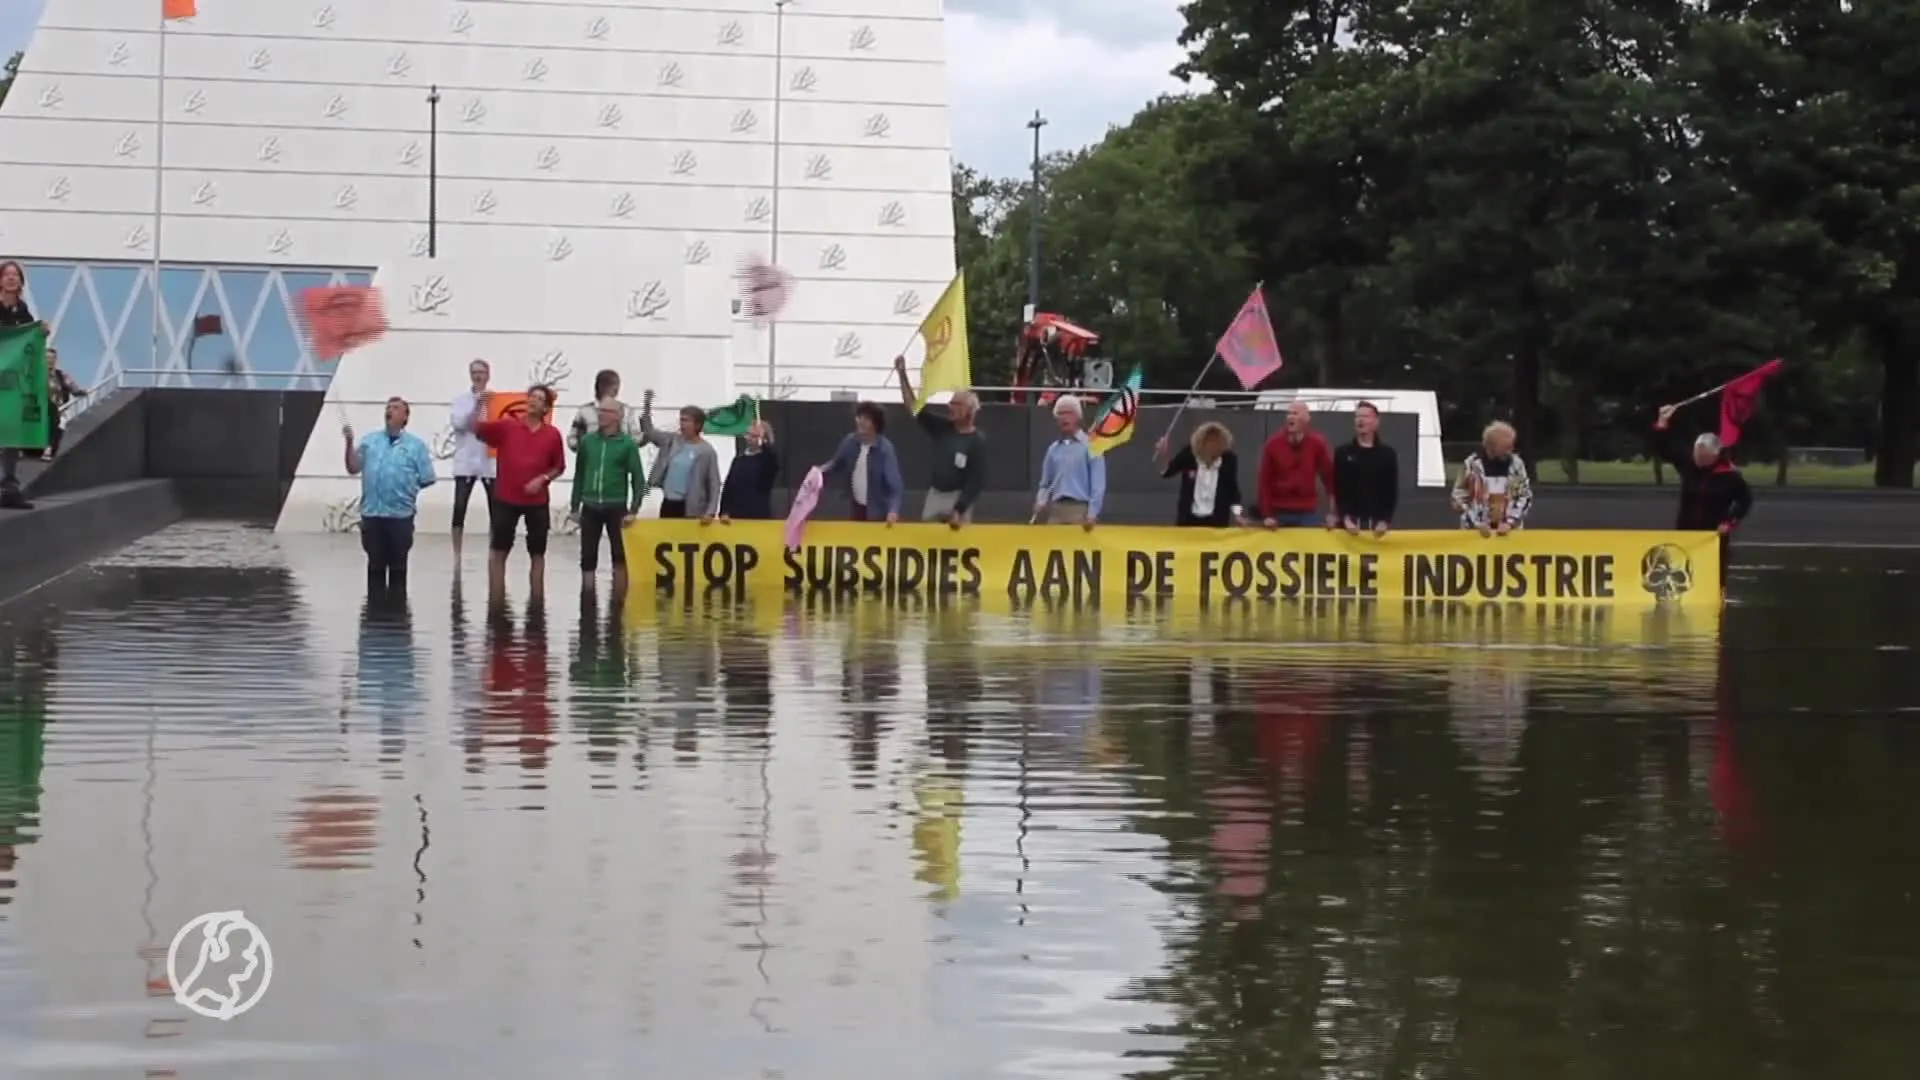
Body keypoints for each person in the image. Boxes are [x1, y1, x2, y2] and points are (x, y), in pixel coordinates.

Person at [469, 383, 567, 590]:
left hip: (537, 501)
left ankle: (537, 599)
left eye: (539, 399)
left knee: (537, 553)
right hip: (506, 498)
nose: (533, 401)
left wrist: (543, 479)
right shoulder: (507, 426)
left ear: (546, 408)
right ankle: (496, 597)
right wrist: (480, 404)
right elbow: (477, 428)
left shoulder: (552, 434)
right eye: (531, 396)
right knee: (499, 549)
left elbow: (558, 467)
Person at [342, 396, 437, 593]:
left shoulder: (416, 446)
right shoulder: (369, 441)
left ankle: (397, 608)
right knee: (375, 566)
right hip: (372, 514)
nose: (389, 410)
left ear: (405, 417)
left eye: (395, 408)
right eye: (388, 407)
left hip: (400, 516)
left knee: (398, 568)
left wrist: (408, 489)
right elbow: (353, 468)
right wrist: (349, 443)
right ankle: (374, 608)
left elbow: (427, 478)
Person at [1655, 403, 1752, 590]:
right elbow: (1665, 449)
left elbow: (1745, 500)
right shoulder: (1689, 465)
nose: (1698, 460)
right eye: (1696, 455)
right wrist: (1662, 422)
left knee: (1713, 582)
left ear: (1715, 455)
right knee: (1683, 579)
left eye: (1703, 458)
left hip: (1714, 536)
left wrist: (1730, 521)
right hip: (1686, 535)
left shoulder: (1729, 476)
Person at [891, 356, 987, 526]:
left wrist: (959, 509)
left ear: (970, 410)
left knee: (957, 539)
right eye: (950, 403)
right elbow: (914, 409)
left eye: (956, 404)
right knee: (927, 536)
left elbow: (976, 481)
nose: (950, 407)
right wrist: (902, 374)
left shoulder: (976, 441)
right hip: (935, 495)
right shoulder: (943, 428)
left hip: (958, 498)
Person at [570, 397, 646, 591]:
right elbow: (580, 474)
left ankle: (619, 597)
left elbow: (638, 478)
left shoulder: (627, 444)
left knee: (619, 555)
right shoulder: (588, 442)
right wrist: (574, 506)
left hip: (616, 505)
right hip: (590, 504)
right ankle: (587, 595)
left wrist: (634, 509)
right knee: (587, 556)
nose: (601, 415)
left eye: (606, 411)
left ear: (617, 416)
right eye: (599, 411)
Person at [637, 391, 722, 520]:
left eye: (686, 420)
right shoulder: (671, 440)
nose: (682, 423)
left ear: (697, 424)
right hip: (669, 502)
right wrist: (646, 407)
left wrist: (710, 511)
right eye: (681, 419)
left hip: (691, 507)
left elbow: (714, 484)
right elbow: (650, 432)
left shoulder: (706, 451)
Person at [821, 401, 903, 523]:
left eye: (866, 419)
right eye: (859, 417)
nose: (861, 422)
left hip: (878, 513)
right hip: (857, 508)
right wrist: (817, 472)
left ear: (876, 424)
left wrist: (893, 510)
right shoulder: (850, 442)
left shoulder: (885, 449)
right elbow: (835, 465)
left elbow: (894, 486)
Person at [1257, 401, 1334, 527]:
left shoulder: (1317, 443)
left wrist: (1333, 512)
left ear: (1306, 419)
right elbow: (1264, 482)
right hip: (1279, 510)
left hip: (1307, 511)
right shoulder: (1273, 444)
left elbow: (1329, 479)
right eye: (1288, 414)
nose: (1290, 417)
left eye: (1295, 413)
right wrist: (1267, 515)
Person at [1152, 421, 1244, 527]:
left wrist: (1238, 515)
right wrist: (1163, 454)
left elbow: (1233, 490)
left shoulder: (1229, 460)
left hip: (1217, 520)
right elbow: (1166, 472)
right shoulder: (1188, 454)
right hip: (1188, 520)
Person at [1033, 394, 1104, 528]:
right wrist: (1040, 500)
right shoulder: (1053, 449)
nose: (1064, 417)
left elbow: (1098, 485)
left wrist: (1092, 513)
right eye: (1060, 414)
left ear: (1078, 417)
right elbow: (1045, 484)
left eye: (1069, 413)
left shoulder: (1092, 446)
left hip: (1080, 510)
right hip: (1055, 511)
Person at [0, 260, 38, 510]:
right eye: (7, 274)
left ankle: (9, 487)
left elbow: (28, 342)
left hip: (12, 380)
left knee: (11, 433)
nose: (12, 278)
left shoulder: (23, 312)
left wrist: (40, 332)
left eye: (16, 275)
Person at [1451, 421, 1533, 534]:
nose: (1511, 450)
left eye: (1511, 446)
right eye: (1506, 447)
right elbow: (1458, 496)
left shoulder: (1516, 465)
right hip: (1475, 534)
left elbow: (1524, 496)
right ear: (1492, 446)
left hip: (1509, 533)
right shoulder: (1472, 464)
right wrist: (1477, 523)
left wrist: (1510, 523)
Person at [448, 358, 496, 549]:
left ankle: (494, 551)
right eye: (475, 372)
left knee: (496, 510)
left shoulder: (495, 399)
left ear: (488, 375)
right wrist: (478, 404)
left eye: (481, 372)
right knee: (459, 508)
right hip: (466, 461)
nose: (478, 376)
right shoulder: (460, 400)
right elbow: (461, 424)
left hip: (489, 462)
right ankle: (456, 554)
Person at [1330, 401, 1397, 535]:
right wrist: (1345, 518)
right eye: (1357, 416)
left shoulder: (1387, 454)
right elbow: (1338, 487)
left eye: (1365, 416)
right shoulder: (1343, 453)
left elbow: (1391, 490)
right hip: (1349, 523)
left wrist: (1384, 520)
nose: (1360, 420)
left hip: (1377, 524)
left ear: (1376, 422)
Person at [717, 419, 779, 521]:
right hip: (735, 515)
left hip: (758, 514)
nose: (749, 438)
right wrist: (724, 511)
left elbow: (772, 460)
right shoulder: (739, 460)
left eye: (754, 436)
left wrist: (765, 443)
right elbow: (728, 486)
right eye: (748, 434)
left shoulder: (767, 460)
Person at [42, 348, 84, 461]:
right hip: (40, 409)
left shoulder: (62, 375)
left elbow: (74, 389)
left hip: (58, 409)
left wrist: (81, 392)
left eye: (52, 358)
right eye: (47, 358)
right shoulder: (37, 375)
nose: (50, 360)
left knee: (58, 421)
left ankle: (49, 448)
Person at [569, 369, 624, 451]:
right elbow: (572, 439)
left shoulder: (626, 411)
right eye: (607, 385)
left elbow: (636, 440)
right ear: (598, 387)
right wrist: (586, 448)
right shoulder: (585, 411)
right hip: (591, 457)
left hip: (619, 457)